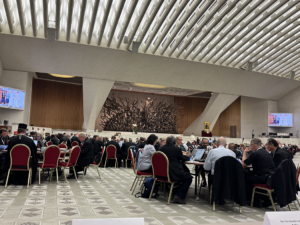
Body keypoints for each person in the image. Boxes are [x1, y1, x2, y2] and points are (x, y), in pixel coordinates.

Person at [242, 138, 275, 207]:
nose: (250, 147)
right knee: (249, 176)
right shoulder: (266, 152)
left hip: (262, 177)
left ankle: (254, 201)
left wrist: (244, 152)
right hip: (271, 177)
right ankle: (264, 199)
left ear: (253, 145)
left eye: (250, 146)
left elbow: (244, 164)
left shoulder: (256, 153)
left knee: (244, 179)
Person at [159, 136, 193, 204]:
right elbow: (182, 158)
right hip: (173, 173)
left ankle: (175, 192)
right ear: (174, 142)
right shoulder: (176, 149)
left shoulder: (160, 148)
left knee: (184, 173)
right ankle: (179, 196)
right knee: (189, 177)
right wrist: (188, 157)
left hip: (163, 173)